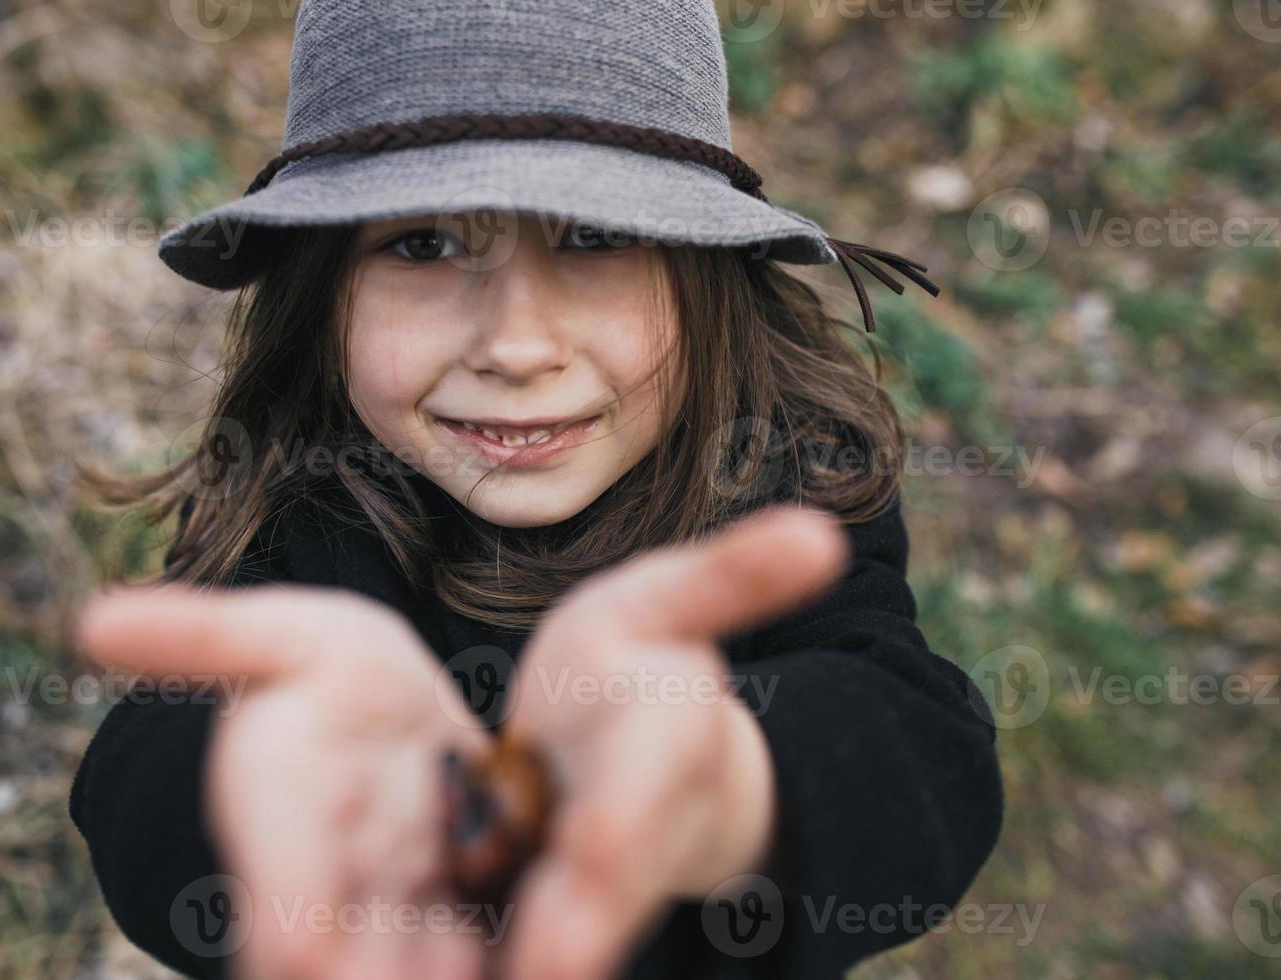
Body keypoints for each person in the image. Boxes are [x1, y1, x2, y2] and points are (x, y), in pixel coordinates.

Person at [68, 2, 1004, 978]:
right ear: (320, 291)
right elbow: (143, 765)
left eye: (595, 236)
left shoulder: (779, 467)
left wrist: (732, 785)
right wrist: (248, 785)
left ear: (708, 272)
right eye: (424, 245)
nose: (517, 347)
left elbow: (923, 742)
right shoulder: (291, 477)